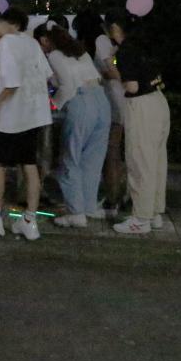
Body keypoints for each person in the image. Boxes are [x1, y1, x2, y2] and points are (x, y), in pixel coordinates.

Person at [0, 8, 53, 241]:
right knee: (29, 165)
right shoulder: (30, 42)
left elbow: (11, 84)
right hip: (34, 114)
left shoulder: (5, 43)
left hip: (11, 117)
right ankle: (30, 221)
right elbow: (45, 74)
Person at [107, 12, 171, 235]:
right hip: (159, 101)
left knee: (140, 162)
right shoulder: (145, 45)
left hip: (142, 106)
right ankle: (153, 213)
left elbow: (132, 86)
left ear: (116, 28)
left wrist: (114, 70)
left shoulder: (125, 51)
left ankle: (140, 219)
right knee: (156, 161)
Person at [44, 26, 111, 227]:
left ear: (48, 40)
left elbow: (67, 86)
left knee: (70, 158)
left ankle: (76, 212)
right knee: (93, 158)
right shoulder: (81, 52)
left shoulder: (54, 55)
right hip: (101, 100)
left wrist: (52, 105)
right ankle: (89, 206)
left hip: (81, 102)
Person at [84, 11, 127, 214]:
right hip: (116, 100)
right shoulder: (106, 42)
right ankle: (118, 195)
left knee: (112, 152)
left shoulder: (101, 41)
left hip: (114, 101)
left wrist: (110, 74)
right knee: (115, 152)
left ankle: (113, 198)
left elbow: (111, 68)